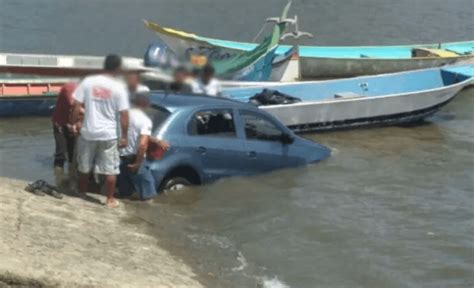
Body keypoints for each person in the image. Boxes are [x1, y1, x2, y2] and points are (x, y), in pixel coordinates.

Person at [70, 54, 129, 208]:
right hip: (109, 134)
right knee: (111, 170)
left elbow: (76, 105)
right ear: (117, 69)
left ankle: (82, 193)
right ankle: (109, 199)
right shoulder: (119, 87)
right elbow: (124, 114)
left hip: (88, 131)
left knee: (84, 166)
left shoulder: (89, 82)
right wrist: (124, 136)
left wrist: (73, 124)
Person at [52, 82, 77, 173]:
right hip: (60, 123)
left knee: (73, 152)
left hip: (73, 124)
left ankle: (71, 174)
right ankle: (58, 176)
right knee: (61, 152)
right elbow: (72, 103)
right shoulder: (69, 87)